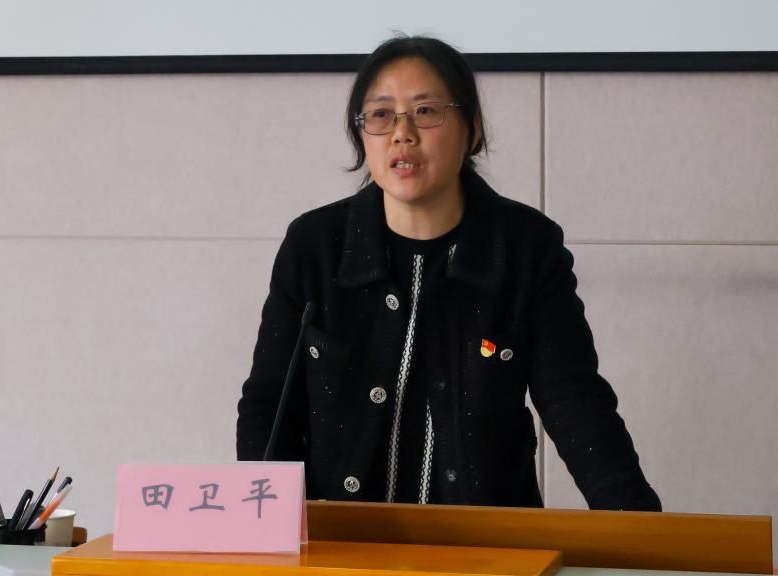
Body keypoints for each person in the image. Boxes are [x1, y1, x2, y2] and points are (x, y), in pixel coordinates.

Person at [237, 35, 661, 511]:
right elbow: (268, 408)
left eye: (425, 111)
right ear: (362, 135)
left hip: (487, 541)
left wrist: (641, 532)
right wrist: (268, 528)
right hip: (344, 540)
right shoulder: (315, 246)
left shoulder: (525, 248)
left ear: (471, 129)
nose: (402, 133)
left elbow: (576, 405)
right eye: (381, 114)